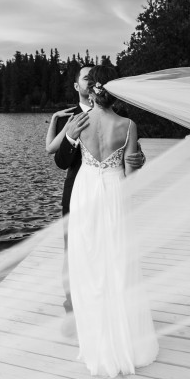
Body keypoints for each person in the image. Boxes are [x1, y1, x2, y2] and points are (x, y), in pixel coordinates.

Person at [66, 65, 159, 376]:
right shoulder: (128, 125)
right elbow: (131, 174)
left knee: (89, 263)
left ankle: (95, 341)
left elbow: (62, 153)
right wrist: (138, 162)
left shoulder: (79, 122)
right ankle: (125, 339)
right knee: (118, 260)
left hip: (85, 192)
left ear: (93, 91)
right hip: (115, 192)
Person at [46, 65, 145, 312]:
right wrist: (68, 136)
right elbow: (59, 159)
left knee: (109, 250)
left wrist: (139, 158)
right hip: (80, 193)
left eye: (92, 79)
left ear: (93, 89)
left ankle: (101, 306)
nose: (89, 82)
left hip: (100, 190)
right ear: (78, 86)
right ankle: (73, 305)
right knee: (75, 251)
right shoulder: (71, 118)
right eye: (85, 78)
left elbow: (132, 155)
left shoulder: (120, 116)